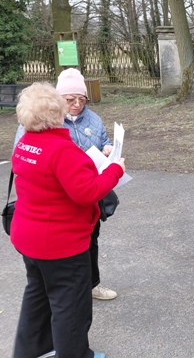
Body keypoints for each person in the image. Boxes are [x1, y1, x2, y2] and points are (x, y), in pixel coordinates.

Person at [11, 82, 125, 358]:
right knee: (71, 306)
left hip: (29, 237)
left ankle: (33, 350)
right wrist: (115, 170)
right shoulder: (61, 150)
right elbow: (87, 192)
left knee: (37, 297)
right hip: (61, 244)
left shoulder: (25, 143)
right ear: (57, 112)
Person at [14, 68, 119, 301]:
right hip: (62, 203)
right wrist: (113, 170)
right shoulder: (40, 124)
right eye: (70, 99)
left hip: (90, 191)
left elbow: (103, 139)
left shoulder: (93, 119)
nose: (77, 104)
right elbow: (24, 161)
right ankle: (69, 291)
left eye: (82, 99)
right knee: (64, 296)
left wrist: (107, 149)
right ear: (57, 100)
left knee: (91, 241)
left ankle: (92, 284)